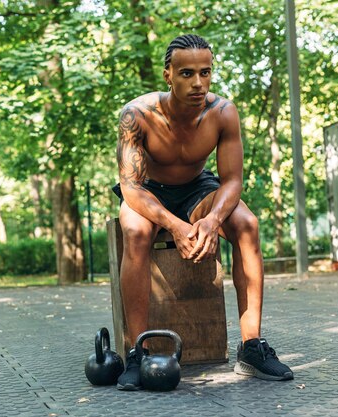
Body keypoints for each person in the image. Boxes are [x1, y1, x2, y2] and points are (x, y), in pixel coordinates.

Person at [113, 34, 293, 390]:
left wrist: (211, 221)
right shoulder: (137, 115)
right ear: (168, 75)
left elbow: (232, 180)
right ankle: (137, 352)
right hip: (149, 191)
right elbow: (131, 186)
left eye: (205, 72)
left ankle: (252, 347)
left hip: (199, 189)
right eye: (186, 74)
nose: (198, 83)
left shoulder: (222, 112)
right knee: (135, 233)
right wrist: (176, 226)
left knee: (247, 224)